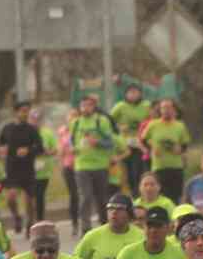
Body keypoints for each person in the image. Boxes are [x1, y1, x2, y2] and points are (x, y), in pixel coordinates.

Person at [70, 95, 119, 230]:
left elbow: (110, 142)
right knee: (85, 196)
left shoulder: (101, 121)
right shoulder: (76, 122)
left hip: (100, 165)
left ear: (94, 107)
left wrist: (97, 142)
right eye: (83, 105)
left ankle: (104, 226)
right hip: (82, 166)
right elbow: (71, 140)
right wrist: (72, 148)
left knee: (101, 198)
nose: (86, 108)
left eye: (89, 105)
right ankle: (85, 229)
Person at [0, 100, 45, 234]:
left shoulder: (31, 129)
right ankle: (17, 217)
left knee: (30, 200)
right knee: (11, 197)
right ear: (16, 112)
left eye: (27, 111)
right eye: (23, 111)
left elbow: (40, 148)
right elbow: (1, 143)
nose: (25, 114)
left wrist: (28, 150)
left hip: (28, 169)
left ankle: (30, 223)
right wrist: (2, 150)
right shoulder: (7, 128)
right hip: (12, 168)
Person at [143, 99, 191, 203]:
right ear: (160, 110)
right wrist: (151, 148)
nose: (166, 110)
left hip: (176, 166)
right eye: (163, 107)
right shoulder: (153, 124)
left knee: (175, 197)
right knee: (159, 196)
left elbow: (185, 143)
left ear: (174, 110)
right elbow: (143, 139)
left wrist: (180, 149)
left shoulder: (180, 126)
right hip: (159, 167)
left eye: (169, 107)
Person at [111, 84, 154, 192]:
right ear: (126, 94)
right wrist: (118, 127)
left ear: (140, 94)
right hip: (125, 144)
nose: (133, 95)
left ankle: (138, 192)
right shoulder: (120, 106)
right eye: (130, 92)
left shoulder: (146, 105)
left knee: (139, 171)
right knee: (127, 173)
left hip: (141, 144)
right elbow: (109, 121)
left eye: (136, 92)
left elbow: (153, 120)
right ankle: (130, 192)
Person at [33, 113, 59, 230]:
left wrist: (46, 152)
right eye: (33, 119)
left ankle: (39, 219)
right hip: (29, 170)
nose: (35, 121)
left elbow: (55, 149)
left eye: (37, 119)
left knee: (39, 195)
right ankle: (31, 220)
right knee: (31, 196)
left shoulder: (47, 133)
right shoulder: (27, 132)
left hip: (44, 170)